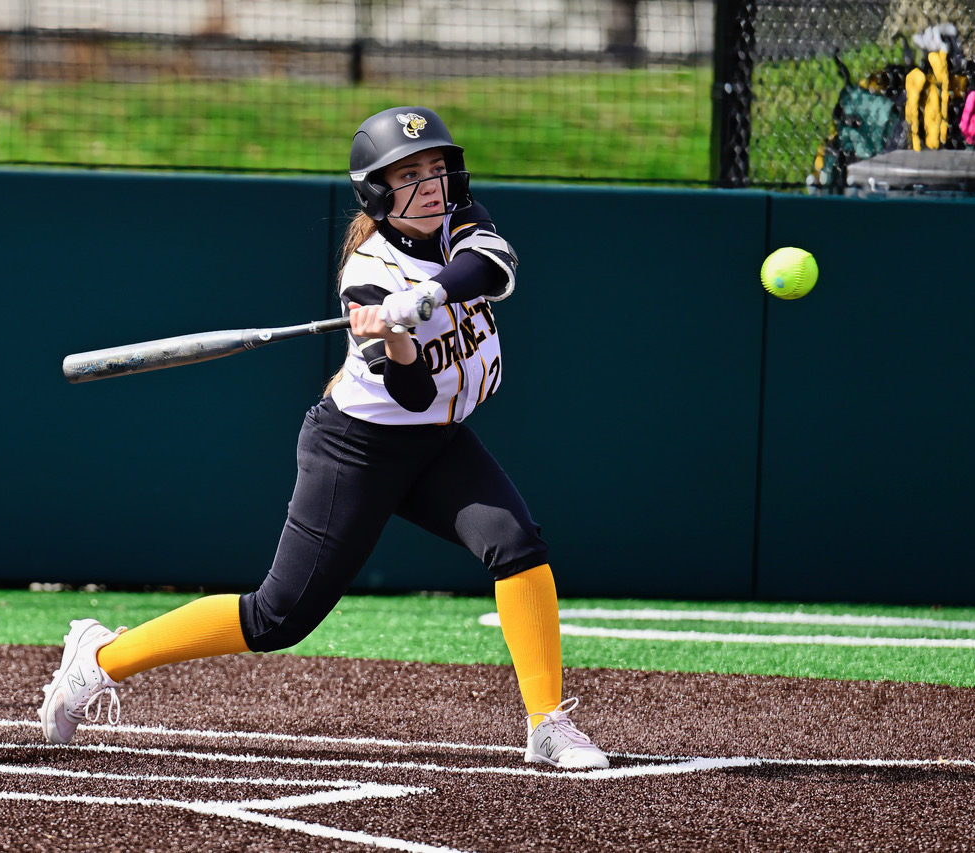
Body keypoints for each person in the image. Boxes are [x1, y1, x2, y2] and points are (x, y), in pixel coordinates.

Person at [39, 106, 611, 770]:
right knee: (276, 618)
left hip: (437, 441)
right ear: (376, 192)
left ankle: (546, 723)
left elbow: (493, 267)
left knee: (516, 543)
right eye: (409, 175)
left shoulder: (463, 222)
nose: (431, 185)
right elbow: (414, 393)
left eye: (437, 169)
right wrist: (392, 332)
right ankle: (100, 659)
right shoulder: (365, 276)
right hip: (358, 450)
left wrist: (423, 297)